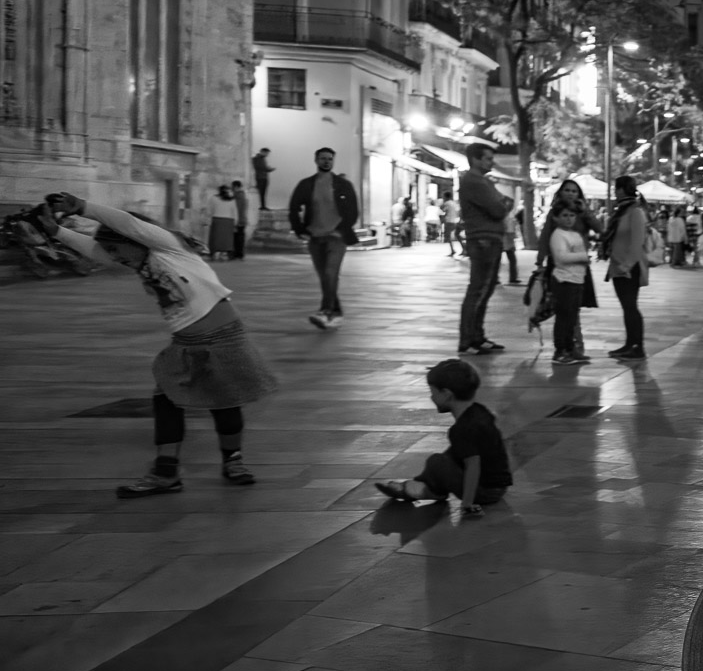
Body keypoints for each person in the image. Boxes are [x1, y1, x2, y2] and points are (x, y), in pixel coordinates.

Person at [38, 193, 277, 497]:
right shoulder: (141, 264)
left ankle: (233, 461)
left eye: (117, 248)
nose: (116, 257)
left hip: (224, 335)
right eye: (111, 251)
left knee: (225, 400)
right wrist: (55, 232)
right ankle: (166, 473)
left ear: (131, 240)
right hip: (186, 341)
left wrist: (84, 208)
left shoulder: (169, 248)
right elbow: (97, 252)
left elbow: (129, 224)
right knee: (166, 399)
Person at [374, 359, 512, 516]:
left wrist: (467, 503)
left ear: (447, 394)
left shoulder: (461, 429)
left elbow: (474, 466)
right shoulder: (480, 411)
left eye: (433, 393)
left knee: (437, 462)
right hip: (499, 487)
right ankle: (424, 486)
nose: (431, 398)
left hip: (485, 492)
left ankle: (425, 490)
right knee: (451, 453)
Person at [288, 147, 360, 330]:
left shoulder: (343, 185)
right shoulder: (306, 184)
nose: (326, 161)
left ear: (333, 161)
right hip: (315, 237)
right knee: (325, 278)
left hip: (336, 237)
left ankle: (325, 311)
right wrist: (300, 229)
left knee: (330, 274)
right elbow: (294, 207)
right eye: (323, 158)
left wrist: (341, 229)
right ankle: (336, 311)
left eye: (329, 159)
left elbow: (353, 211)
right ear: (316, 160)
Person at [535, 179, 604, 361]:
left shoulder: (581, 213)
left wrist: (585, 212)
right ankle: (565, 348)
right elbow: (545, 236)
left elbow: (599, 229)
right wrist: (540, 260)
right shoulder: (556, 214)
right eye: (567, 190)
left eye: (574, 191)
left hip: (579, 268)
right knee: (564, 311)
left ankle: (573, 347)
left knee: (574, 309)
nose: (571, 193)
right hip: (562, 265)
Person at [457, 142, 515, 356]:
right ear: (475, 159)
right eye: (488, 158)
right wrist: (502, 204)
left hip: (489, 238)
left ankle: (477, 336)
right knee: (479, 289)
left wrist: (502, 203)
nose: (492, 162)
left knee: (485, 288)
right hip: (483, 238)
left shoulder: (482, 182)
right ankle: (468, 339)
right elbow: (500, 208)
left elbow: (504, 203)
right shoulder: (475, 182)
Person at [600, 175, 649, 360]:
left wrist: (626, 266)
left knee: (630, 307)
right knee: (627, 307)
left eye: (616, 188)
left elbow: (637, 243)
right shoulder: (622, 211)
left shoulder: (635, 211)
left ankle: (637, 347)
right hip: (618, 266)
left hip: (629, 268)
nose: (614, 191)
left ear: (621, 190)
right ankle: (630, 344)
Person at [547, 200, 592, 365]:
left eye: (572, 215)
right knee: (563, 317)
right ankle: (560, 350)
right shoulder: (558, 235)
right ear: (556, 218)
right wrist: (582, 257)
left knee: (572, 317)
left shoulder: (575, 234)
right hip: (563, 280)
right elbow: (561, 257)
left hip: (577, 280)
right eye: (564, 215)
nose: (568, 219)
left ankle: (570, 348)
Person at [208, 185, 237, 260]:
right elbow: (234, 212)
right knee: (226, 239)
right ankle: (224, 253)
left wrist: (208, 219)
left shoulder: (214, 198)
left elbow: (210, 210)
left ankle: (215, 253)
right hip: (228, 221)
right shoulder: (232, 200)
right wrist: (235, 222)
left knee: (216, 238)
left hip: (217, 219)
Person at [230, 180, 249, 260]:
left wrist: (237, 220)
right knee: (239, 237)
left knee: (238, 237)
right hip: (242, 219)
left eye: (232, 187)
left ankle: (238, 253)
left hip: (239, 220)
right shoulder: (242, 196)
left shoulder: (238, 196)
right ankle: (239, 253)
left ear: (236, 187)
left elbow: (237, 209)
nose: (231, 188)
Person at [502, 208, 521, 285]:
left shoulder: (504, 217)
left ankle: (494, 278)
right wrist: (511, 243)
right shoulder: (509, 217)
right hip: (507, 241)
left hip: (501, 240)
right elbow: (510, 232)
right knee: (512, 260)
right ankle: (513, 278)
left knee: (496, 260)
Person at [442, 192, 462, 256]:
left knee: (448, 236)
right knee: (456, 235)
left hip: (449, 221)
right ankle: (463, 248)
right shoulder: (454, 203)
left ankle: (452, 250)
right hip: (455, 220)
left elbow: (444, 211)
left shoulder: (447, 203)